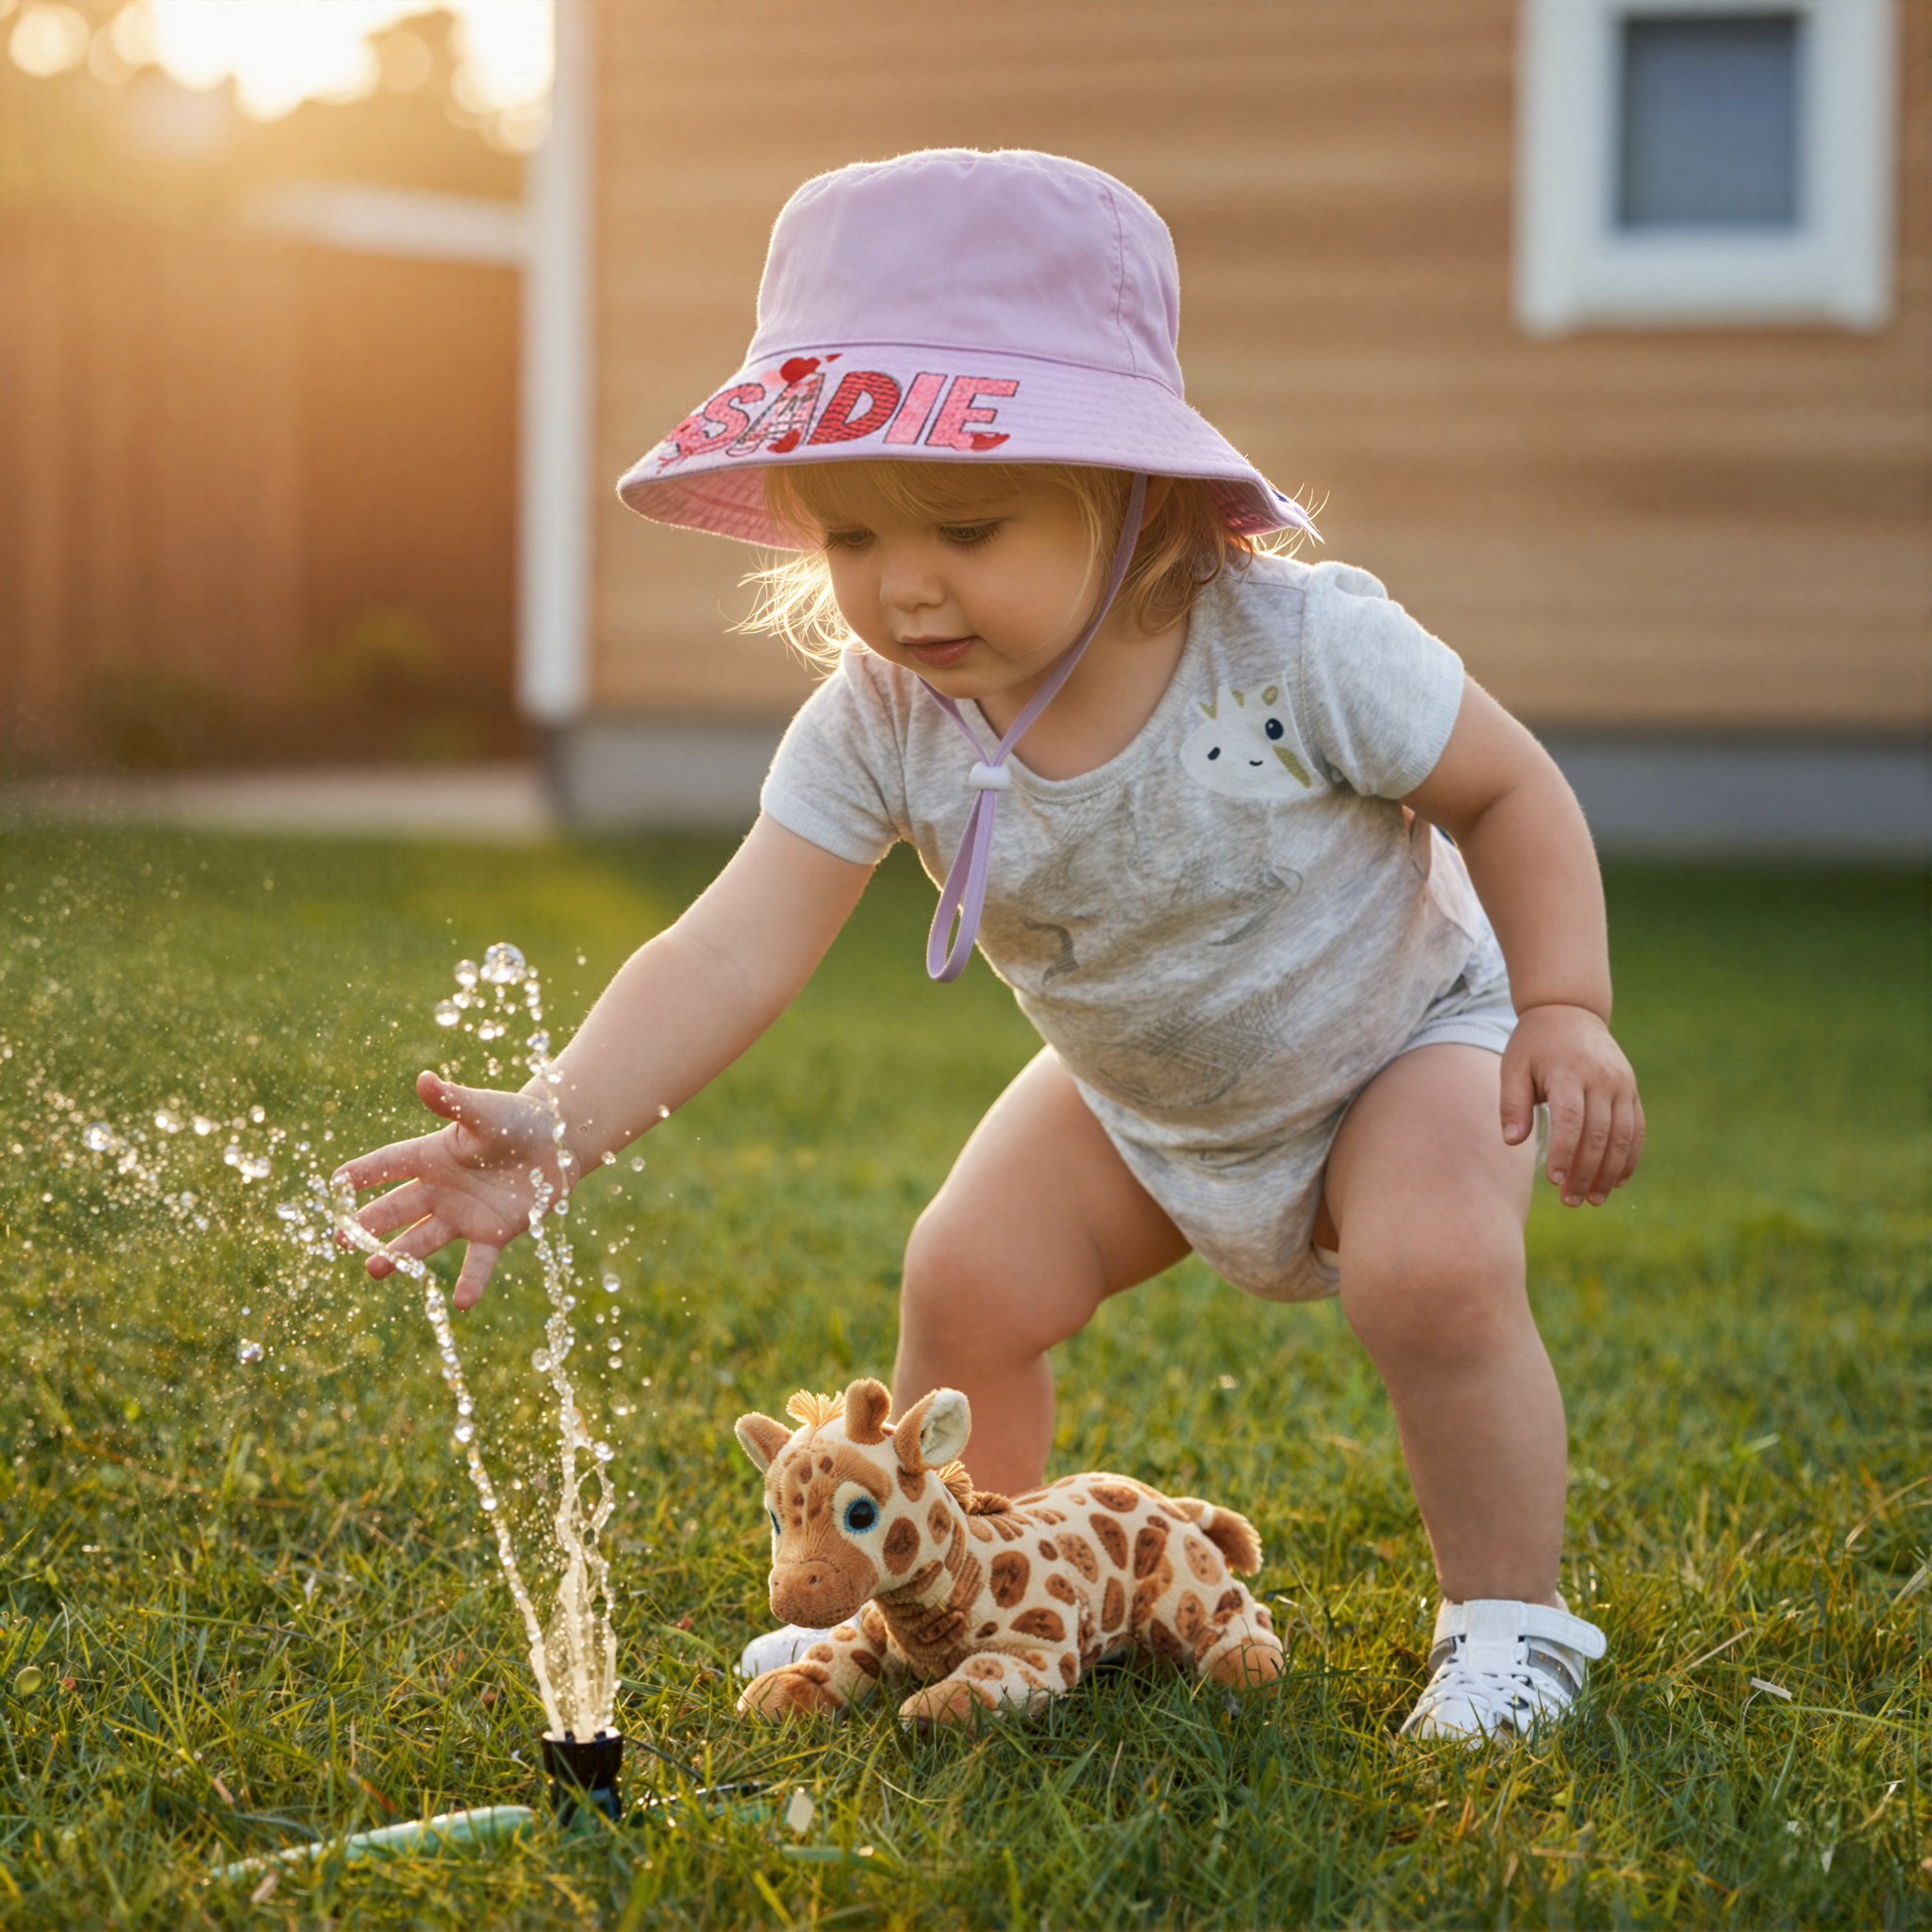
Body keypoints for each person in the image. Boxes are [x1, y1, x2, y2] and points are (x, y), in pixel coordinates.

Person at [337, 149, 1643, 1745]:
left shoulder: (1299, 646)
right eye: (849, 539)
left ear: (1128, 486)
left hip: (1400, 1041)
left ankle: (1509, 1628)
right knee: (966, 1275)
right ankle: (965, 1602)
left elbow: (1509, 788)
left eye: (963, 522)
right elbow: (729, 947)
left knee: (1436, 1277)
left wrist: (1563, 1004)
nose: (902, 588)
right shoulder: (888, 718)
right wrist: (558, 1123)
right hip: (1143, 1084)